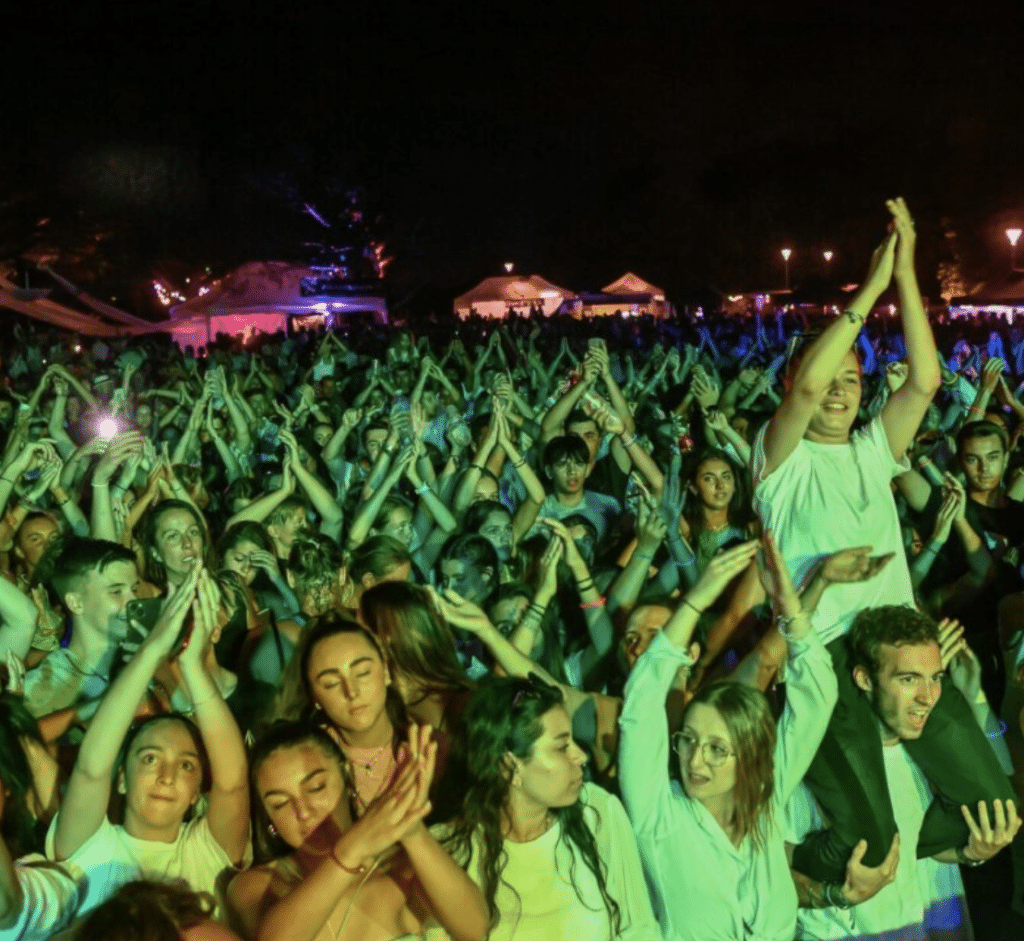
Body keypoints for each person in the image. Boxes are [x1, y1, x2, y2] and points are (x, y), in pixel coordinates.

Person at [753, 198, 1015, 880]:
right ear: (789, 384)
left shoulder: (873, 450)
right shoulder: (778, 460)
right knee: (867, 844)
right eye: (827, 379)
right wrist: (867, 287)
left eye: (853, 380)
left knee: (997, 807)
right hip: (830, 660)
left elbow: (926, 381)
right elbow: (810, 385)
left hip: (903, 648)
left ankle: (939, 851)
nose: (838, 391)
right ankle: (769, 866)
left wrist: (906, 267)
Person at [618, 535, 837, 941]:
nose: (696, 761)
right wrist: (694, 602)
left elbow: (816, 699)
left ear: (749, 754)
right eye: (687, 740)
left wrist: (792, 610)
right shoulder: (659, 814)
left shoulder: (765, 799)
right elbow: (640, 706)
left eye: (717, 749)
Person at [787, 609, 1020, 940]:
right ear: (864, 679)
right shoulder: (816, 767)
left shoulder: (923, 759)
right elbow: (771, 869)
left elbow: (913, 851)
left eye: (936, 678)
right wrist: (834, 894)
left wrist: (970, 855)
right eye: (909, 679)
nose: (928, 697)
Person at [46, 565, 251, 918]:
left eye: (186, 765)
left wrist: (191, 666)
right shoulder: (93, 849)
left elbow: (233, 783)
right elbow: (91, 769)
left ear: (196, 791)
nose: (166, 776)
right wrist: (151, 651)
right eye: (150, 759)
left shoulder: (206, 851)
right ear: (122, 778)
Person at [438, 674, 661, 941]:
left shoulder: (597, 812)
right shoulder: (455, 849)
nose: (582, 755)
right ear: (510, 766)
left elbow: (640, 929)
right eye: (561, 747)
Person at [226, 720, 489, 941]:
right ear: (268, 820)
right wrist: (348, 853)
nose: (303, 811)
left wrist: (411, 828)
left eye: (316, 787)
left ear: (348, 781)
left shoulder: (401, 868)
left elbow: (474, 930)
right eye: (280, 803)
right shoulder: (258, 885)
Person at [23, 537, 139, 722]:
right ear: (76, 603)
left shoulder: (142, 658)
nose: (133, 601)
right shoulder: (46, 685)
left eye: (134, 589)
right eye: (116, 592)